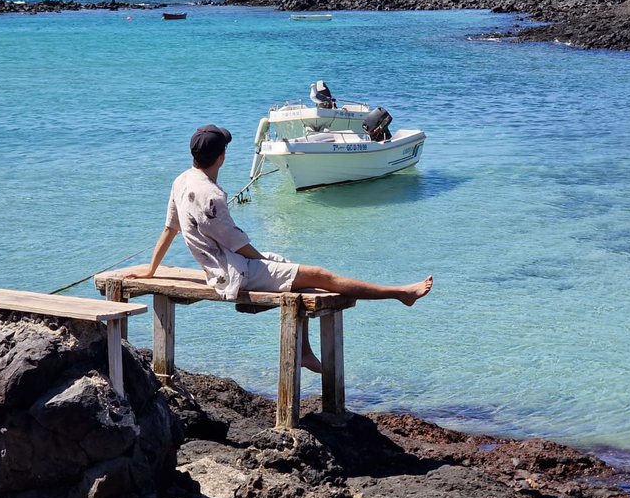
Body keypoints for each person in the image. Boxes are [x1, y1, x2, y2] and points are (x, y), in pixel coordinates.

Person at [128, 124, 433, 372]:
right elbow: (240, 245)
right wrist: (263, 261)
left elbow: (170, 229)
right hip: (233, 272)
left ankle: (304, 352)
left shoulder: (181, 181)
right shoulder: (211, 196)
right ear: (221, 157)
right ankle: (399, 293)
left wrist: (151, 269)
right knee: (321, 276)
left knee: (296, 274)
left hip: (224, 266)